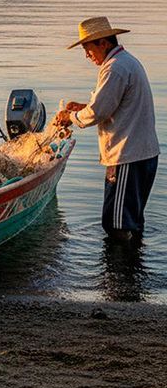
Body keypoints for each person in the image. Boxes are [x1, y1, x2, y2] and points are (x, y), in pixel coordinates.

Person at [55, 16, 159, 241]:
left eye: (88, 48)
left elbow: (97, 113)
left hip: (126, 157)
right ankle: (131, 271)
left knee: (116, 224)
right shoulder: (126, 62)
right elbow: (112, 105)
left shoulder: (115, 69)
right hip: (143, 154)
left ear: (103, 43)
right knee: (131, 222)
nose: (86, 55)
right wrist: (84, 106)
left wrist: (70, 116)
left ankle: (118, 275)